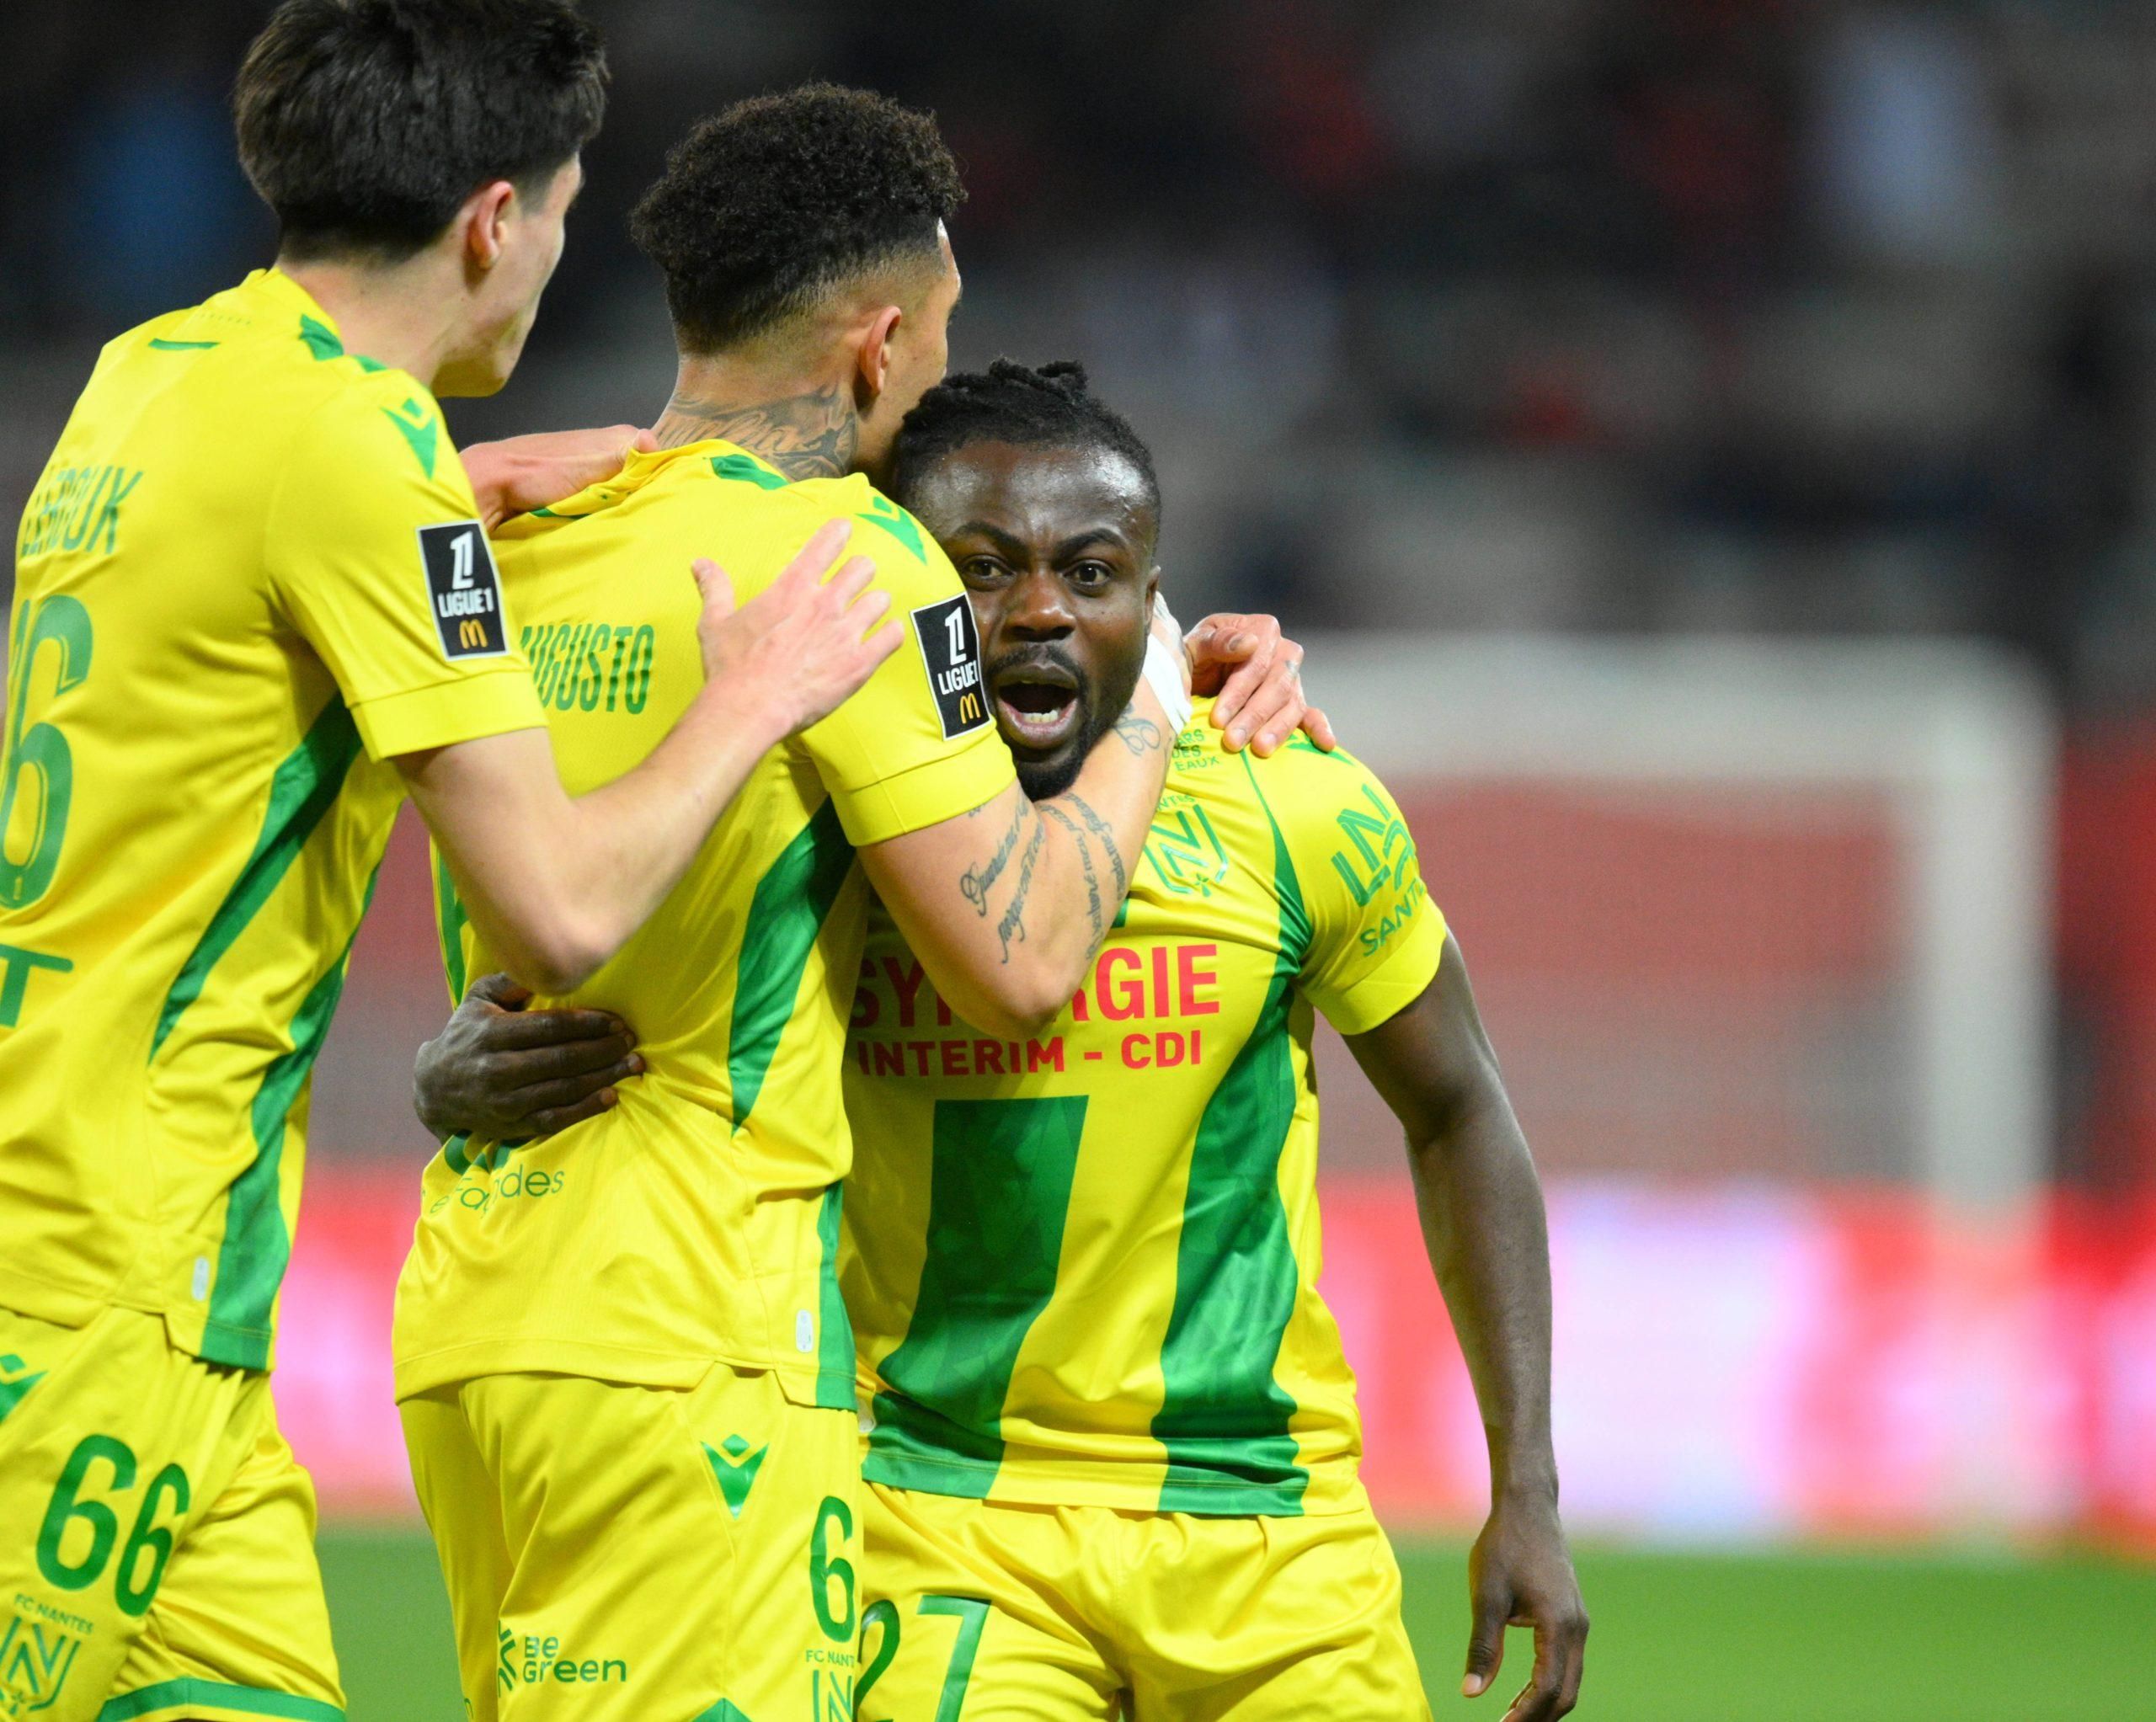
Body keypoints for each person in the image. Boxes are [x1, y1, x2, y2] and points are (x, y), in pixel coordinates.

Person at [423, 361, 1589, 1722]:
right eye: (977, 571)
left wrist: (1526, 1488)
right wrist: (445, 1076)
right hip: (934, 1528)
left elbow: (1461, 1107)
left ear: (1152, 606)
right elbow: (615, 1007)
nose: (1036, 610)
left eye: (1091, 574)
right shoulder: (835, 838)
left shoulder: (1297, 808)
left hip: (1274, 1533)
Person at [0, 6, 899, 1719]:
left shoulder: (157, 373)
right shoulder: (357, 454)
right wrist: (753, 697)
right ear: (497, 221)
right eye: (560, 217)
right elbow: (560, 912)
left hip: (152, 1283)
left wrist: (453, 499)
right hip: (90, 1285)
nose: (555, 260)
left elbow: (236, 597)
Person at [387, 87, 1315, 1722]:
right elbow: (1022, 960)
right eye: (942, 339)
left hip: (471, 1314)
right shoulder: (848, 570)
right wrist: (1162, 687)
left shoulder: (508, 528)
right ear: (878, 345)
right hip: (693, 1344)